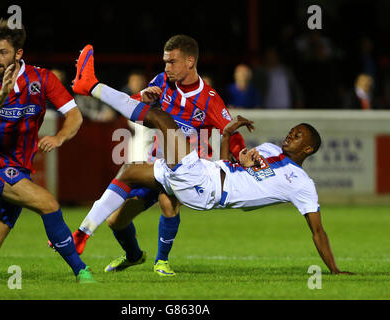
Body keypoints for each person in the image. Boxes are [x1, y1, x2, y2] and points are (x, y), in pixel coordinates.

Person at [70, 45, 353, 275]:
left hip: (201, 181)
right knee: (125, 184)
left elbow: (318, 230)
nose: (166, 67)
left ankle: (91, 85)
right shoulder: (267, 149)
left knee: (163, 134)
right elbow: (233, 158)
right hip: (194, 167)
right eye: (293, 130)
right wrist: (234, 145)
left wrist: (335, 271)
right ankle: (88, 236)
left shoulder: (300, 182)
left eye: (172, 62)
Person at [71, 36, 246, 277]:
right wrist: (142, 98)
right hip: (154, 165)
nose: (166, 68)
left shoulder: (209, 99)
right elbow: (132, 107)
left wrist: (243, 155)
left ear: (190, 61)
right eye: (165, 62)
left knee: (167, 201)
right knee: (115, 222)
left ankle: (161, 261)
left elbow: (232, 133)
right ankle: (133, 255)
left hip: (183, 170)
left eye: (172, 62)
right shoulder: (162, 82)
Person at [0, 18, 94, 284]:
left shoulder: (42, 79)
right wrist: (2, 94)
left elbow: (74, 116)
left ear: (18, 54)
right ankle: (81, 271)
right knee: (48, 204)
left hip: (18, 168)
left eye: (3, 52)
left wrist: (59, 137)